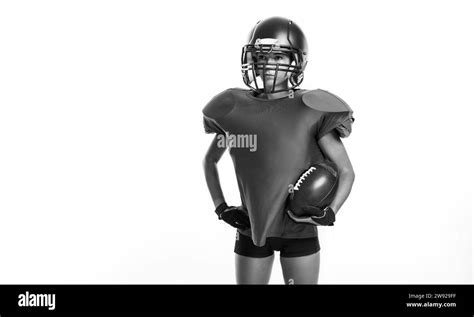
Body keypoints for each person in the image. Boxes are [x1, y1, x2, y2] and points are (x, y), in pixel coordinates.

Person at [202, 16, 355, 284]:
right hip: (252, 228)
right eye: (261, 57)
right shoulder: (234, 110)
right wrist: (221, 207)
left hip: (299, 231)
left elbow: (346, 170)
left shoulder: (312, 108)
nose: (268, 65)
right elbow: (211, 161)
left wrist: (331, 212)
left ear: (296, 62)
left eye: (279, 58)